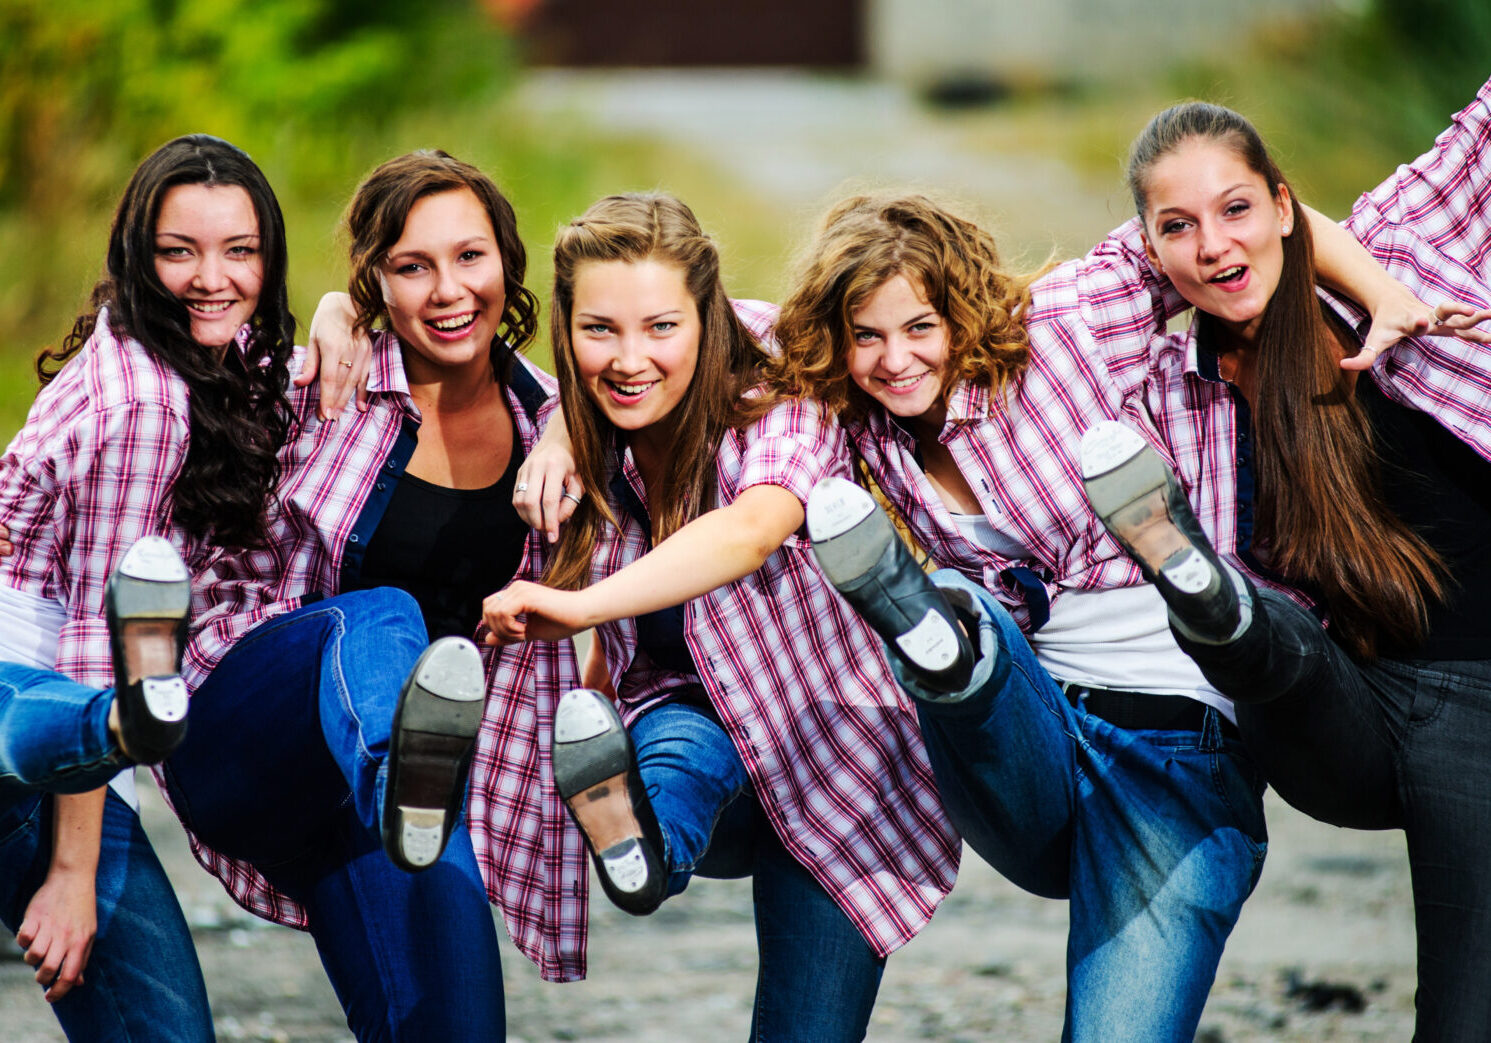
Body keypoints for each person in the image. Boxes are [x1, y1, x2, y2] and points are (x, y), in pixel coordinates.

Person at [755, 129, 1451, 1033]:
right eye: (866, 337)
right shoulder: (862, 436)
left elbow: (1239, 218)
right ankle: (933, 628)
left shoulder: (1067, 327)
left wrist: (1382, 291)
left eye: (919, 326)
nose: (896, 360)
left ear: (962, 313)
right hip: (1030, 735)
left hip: (1175, 741)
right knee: (968, 628)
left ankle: (1172, 555)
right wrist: (571, 429)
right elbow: (700, 333)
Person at [483, 192, 959, 1041]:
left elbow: (751, 528)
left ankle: (647, 831)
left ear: (706, 317)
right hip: (691, 719)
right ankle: (643, 848)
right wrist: (560, 425)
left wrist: (578, 607)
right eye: (600, 332)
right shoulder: (578, 421)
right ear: (565, 328)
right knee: (675, 744)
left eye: (661, 328)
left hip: (830, 748)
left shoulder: (783, 388)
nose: (631, 358)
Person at [1071, 82, 1491, 1040]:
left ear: (1285, 205)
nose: (1214, 246)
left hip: (1475, 703)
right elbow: (1063, 305)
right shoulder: (1175, 387)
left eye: (1235, 210)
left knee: (1463, 1020)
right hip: (1325, 706)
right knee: (1273, 632)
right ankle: (1204, 596)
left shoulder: (1403, 248)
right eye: (1176, 228)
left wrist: (1380, 288)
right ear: (1146, 247)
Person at [160, 148, 565, 1040]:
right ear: (376, 281)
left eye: (470, 256)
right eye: (411, 267)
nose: (447, 289)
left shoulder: (553, 421)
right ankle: (398, 776)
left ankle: (402, 789)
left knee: (457, 1027)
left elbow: (718, 329)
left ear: (509, 260)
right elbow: (145, 388)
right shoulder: (320, 387)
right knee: (385, 617)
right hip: (249, 726)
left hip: (402, 798)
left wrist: (575, 423)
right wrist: (333, 317)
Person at [0, 132, 305, 1042]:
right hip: (35, 721)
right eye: (180, 252)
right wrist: (71, 874)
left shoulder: (181, 352)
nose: (213, 277)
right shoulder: (145, 406)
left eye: (239, 251)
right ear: (140, 258)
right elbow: (98, 642)